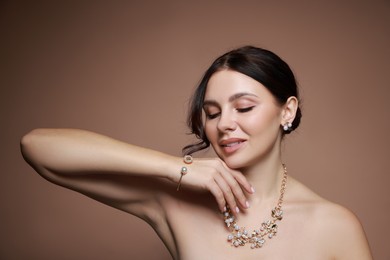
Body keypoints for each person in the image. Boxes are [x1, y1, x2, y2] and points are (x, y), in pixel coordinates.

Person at [20, 46, 372, 259]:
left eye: (244, 108)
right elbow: (37, 147)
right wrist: (179, 168)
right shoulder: (175, 202)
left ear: (287, 111)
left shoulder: (334, 225)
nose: (223, 125)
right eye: (213, 113)